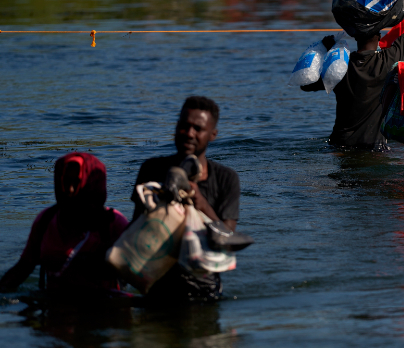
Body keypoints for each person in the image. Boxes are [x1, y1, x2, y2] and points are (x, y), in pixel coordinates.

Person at [131, 96, 239, 302]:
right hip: (157, 283)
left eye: (198, 129)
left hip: (203, 287)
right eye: (184, 125)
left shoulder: (226, 178)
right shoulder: (151, 169)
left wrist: (201, 202)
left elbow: (228, 239)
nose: (189, 133)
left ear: (212, 135)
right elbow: (136, 226)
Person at [303, 0, 404, 149]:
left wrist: (324, 51)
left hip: (340, 145)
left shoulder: (339, 66)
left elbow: (306, 85)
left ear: (355, 37)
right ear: (379, 38)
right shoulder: (388, 60)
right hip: (373, 146)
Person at [0, 153, 129, 296]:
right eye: (66, 182)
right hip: (56, 312)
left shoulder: (113, 223)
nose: (70, 190)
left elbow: (136, 273)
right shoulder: (46, 220)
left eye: (77, 182)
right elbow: (23, 268)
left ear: (92, 184)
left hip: (104, 313)